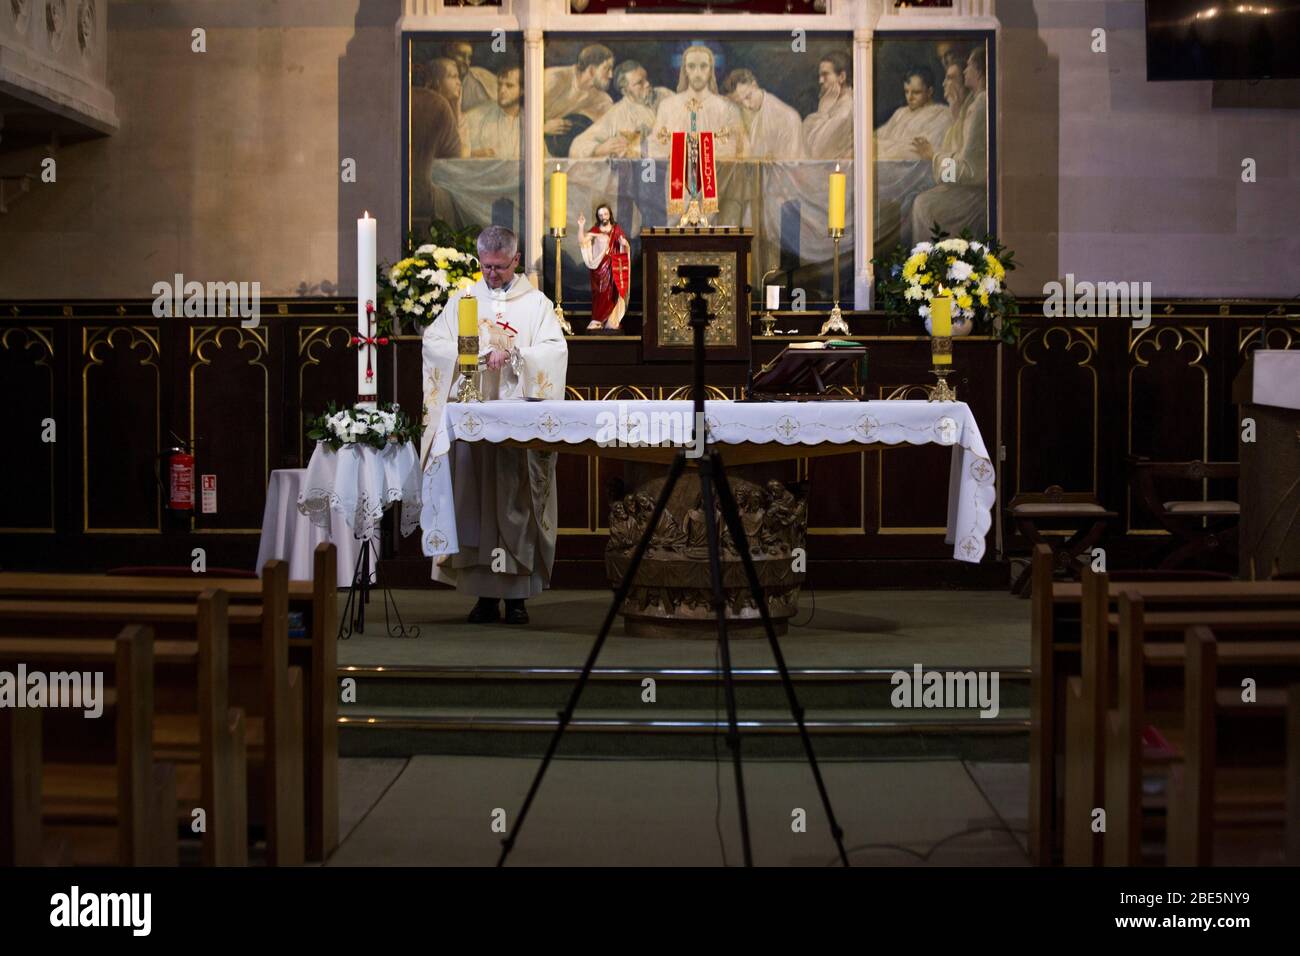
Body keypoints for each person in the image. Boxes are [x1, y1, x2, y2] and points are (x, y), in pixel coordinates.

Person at [419, 225, 569, 625]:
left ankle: (517, 597)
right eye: (485, 267)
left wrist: (518, 355)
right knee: (477, 505)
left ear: (515, 261)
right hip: (474, 423)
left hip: (518, 425)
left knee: (514, 504)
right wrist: (478, 351)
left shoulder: (536, 304)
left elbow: (555, 351)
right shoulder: (464, 300)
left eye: (500, 267)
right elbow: (434, 343)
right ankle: (484, 596)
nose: (491, 275)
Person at [910, 48, 988, 242]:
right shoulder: (969, 107)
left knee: (924, 204)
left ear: (978, 72)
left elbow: (970, 171)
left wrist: (933, 156)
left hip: (975, 196)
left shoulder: (980, 105)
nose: (965, 71)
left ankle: (931, 268)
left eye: (968, 67)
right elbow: (957, 155)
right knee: (922, 197)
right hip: (966, 187)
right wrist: (955, 113)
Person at [649, 44, 746, 160]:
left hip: (716, 175)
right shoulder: (667, 106)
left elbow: (736, 148)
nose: (697, 73)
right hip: (676, 175)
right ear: (685, 70)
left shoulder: (727, 108)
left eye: (703, 66)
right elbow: (656, 145)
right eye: (691, 66)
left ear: (711, 70)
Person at [569, 59, 658, 159]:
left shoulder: (665, 95)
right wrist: (599, 149)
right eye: (639, 83)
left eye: (646, 79)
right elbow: (577, 146)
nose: (647, 84)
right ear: (625, 91)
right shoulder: (617, 113)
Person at [543, 44, 616, 156]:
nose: (611, 75)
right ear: (591, 70)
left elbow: (614, 128)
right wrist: (543, 128)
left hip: (557, 153)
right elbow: (517, 113)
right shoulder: (554, 78)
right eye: (607, 69)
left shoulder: (602, 99)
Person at [722, 68, 805, 160]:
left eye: (748, 97)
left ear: (754, 85)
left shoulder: (787, 117)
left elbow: (789, 165)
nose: (746, 105)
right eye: (739, 103)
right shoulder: (737, 112)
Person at [874, 67, 951, 162]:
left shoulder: (941, 114)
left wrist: (881, 146)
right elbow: (877, 137)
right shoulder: (901, 113)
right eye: (906, 91)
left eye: (916, 92)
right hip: (887, 161)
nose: (909, 98)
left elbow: (917, 150)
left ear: (929, 92)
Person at [577, 203, 631, 331]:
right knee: (600, 294)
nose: (603, 217)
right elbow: (582, 241)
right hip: (599, 269)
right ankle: (598, 320)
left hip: (613, 269)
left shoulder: (616, 230)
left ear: (610, 215)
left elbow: (625, 247)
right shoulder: (595, 230)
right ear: (598, 217)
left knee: (612, 294)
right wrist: (581, 227)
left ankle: (611, 320)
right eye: (601, 215)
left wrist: (625, 244)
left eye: (605, 214)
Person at [802, 51, 853, 160]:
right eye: (820, 76)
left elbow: (815, 152)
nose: (820, 81)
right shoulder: (834, 104)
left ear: (842, 77)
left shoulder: (846, 110)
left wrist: (823, 111)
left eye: (825, 75)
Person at [465, 64, 522, 159]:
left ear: (522, 90)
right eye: (500, 84)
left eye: (509, 86)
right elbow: (459, 155)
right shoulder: (477, 116)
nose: (502, 90)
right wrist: (474, 154)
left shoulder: (529, 120)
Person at [442, 39, 498, 113]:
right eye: (461, 55)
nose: (466, 62)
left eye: (469, 57)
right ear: (450, 55)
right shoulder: (441, 78)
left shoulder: (479, 78)